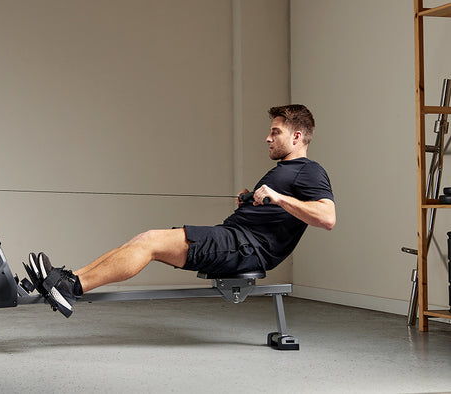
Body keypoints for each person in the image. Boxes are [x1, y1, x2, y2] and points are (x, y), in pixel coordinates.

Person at [26, 104, 336, 318]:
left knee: (149, 243)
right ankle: (65, 280)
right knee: (144, 239)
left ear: (297, 136)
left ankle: (72, 288)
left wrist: (279, 198)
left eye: (276, 132)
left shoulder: (309, 170)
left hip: (243, 248)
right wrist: (249, 200)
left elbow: (327, 217)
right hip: (235, 239)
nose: (268, 138)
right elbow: (273, 211)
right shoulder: (287, 170)